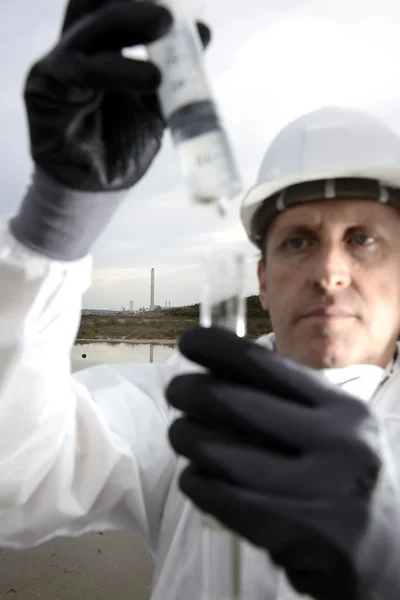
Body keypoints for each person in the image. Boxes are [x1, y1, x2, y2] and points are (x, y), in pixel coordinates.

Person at [2, 0, 400, 598]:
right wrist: (60, 217)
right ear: (262, 279)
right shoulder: (188, 401)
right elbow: (17, 475)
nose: (330, 272)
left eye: (363, 239)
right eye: (298, 241)